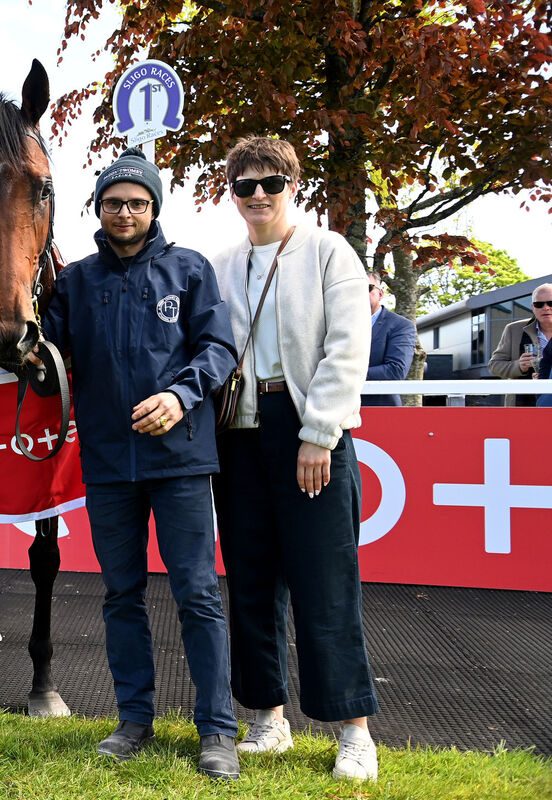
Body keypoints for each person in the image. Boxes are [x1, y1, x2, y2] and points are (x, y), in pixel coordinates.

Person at [37, 147, 241, 780]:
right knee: (121, 595)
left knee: (198, 595)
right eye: (112, 202)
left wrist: (181, 396)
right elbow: (43, 366)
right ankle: (134, 721)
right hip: (106, 464)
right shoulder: (74, 282)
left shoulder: (189, 269)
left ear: (154, 209)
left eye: (137, 202)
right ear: (97, 208)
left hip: (179, 463)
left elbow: (220, 348)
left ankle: (218, 731)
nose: (124, 212)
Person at [210, 137, 379, 781]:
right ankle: (266, 717)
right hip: (239, 432)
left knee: (324, 581)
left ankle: (352, 729)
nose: (258, 193)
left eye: (272, 182)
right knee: (251, 580)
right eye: (246, 183)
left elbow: (347, 347)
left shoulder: (329, 250)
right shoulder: (221, 263)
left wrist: (319, 433)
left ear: (294, 188)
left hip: (308, 426)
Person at [489, 283, 552, 407]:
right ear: (533, 307)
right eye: (540, 304)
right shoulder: (514, 329)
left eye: (551, 303)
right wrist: (519, 366)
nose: (546, 308)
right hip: (522, 404)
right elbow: (494, 365)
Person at [362, 272, 416, 407]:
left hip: (379, 411)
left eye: (367, 288)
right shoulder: (334, 323)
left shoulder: (400, 325)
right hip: (336, 412)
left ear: (380, 294)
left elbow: (396, 370)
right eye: (353, 289)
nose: (359, 293)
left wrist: (347, 374)